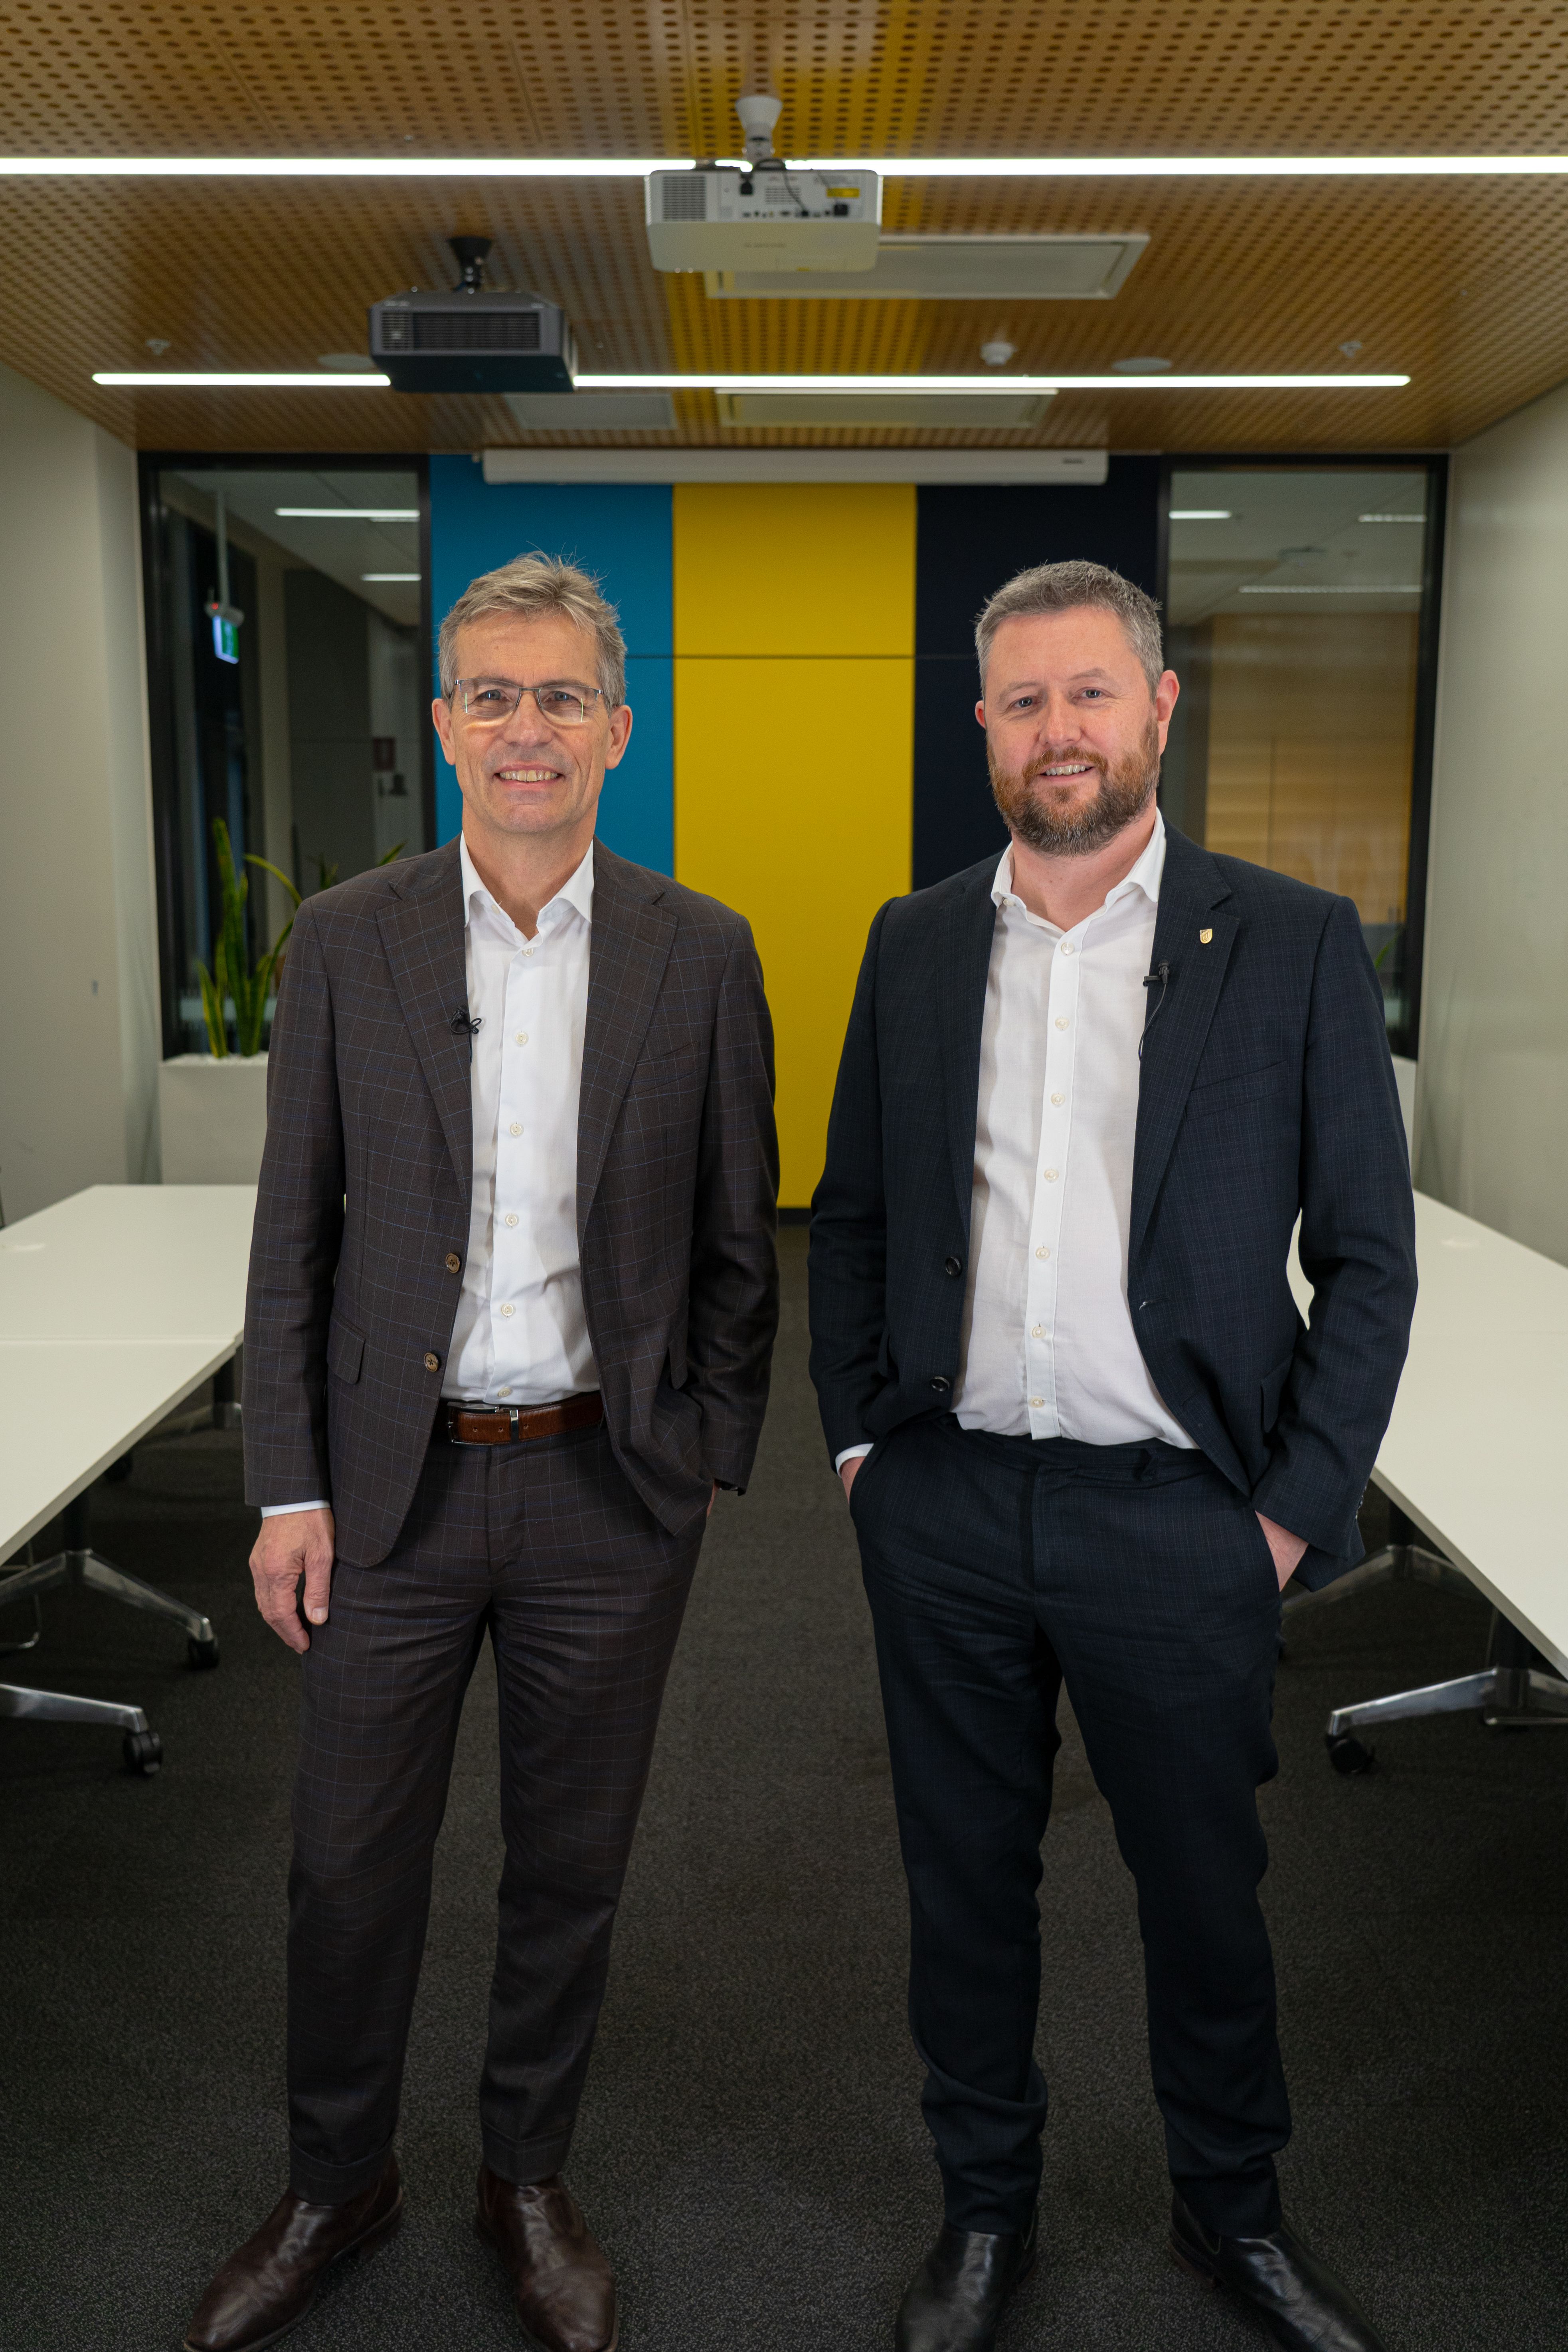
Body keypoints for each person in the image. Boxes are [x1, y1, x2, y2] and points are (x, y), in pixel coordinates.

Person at [809, 559, 1416, 2352]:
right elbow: (845, 1219)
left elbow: (1366, 1259)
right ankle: (981, 2214)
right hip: (946, 1503)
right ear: (979, 726)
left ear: (1158, 707)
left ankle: (1230, 2216)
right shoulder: (915, 939)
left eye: (1088, 692)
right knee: (963, 1890)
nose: (1055, 729)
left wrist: (1286, 1521)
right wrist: (861, 1454)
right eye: (1020, 699)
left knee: (1204, 1902)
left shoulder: (1291, 938)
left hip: (1185, 1521)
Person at [186, 555, 779, 2352]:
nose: (529, 729)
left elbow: (742, 1238)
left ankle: (525, 2174)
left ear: (618, 725)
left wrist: (696, 1462)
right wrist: (289, 1484)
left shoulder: (700, 948)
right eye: (493, 697)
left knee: (568, 1864)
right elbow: (293, 1237)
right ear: (446, 726)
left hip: (608, 1491)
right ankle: (334, 2175)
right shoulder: (348, 940)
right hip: (389, 1494)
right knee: (347, 1860)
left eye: (562, 697)